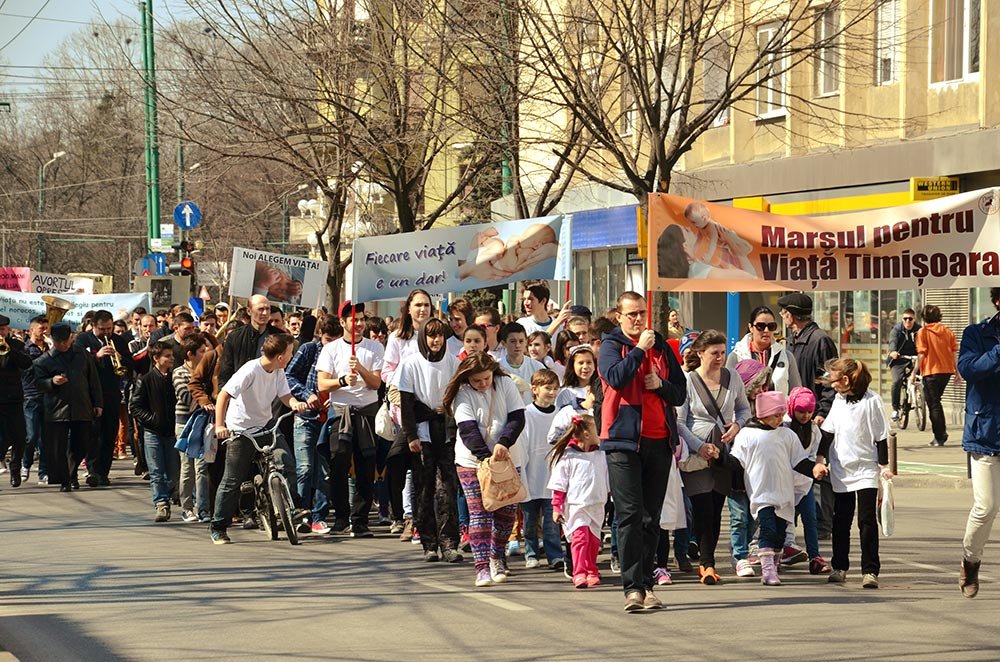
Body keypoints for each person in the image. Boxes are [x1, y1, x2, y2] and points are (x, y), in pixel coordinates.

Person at [597, 291, 686, 612]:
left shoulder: (661, 346)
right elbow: (616, 377)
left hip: (658, 439)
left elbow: (679, 392)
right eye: (631, 314)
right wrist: (638, 349)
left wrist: (660, 384)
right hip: (623, 441)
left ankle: (647, 584)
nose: (637, 319)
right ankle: (632, 587)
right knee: (630, 514)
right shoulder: (611, 345)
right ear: (619, 317)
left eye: (641, 313)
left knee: (652, 517)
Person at [209, 334, 308, 544]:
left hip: (266, 425)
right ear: (281, 356)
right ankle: (218, 526)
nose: (291, 356)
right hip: (241, 429)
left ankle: (293, 508)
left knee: (286, 462)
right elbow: (223, 395)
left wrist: (295, 403)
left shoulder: (279, 370)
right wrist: (220, 425)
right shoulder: (250, 370)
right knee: (232, 479)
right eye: (290, 352)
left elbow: (285, 395)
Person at [443, 353, 526, 588]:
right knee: (480, 512)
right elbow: (468, 429)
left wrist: (504, 443)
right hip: (473, 461)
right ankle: (481, 567)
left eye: (486, 379)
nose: (482, 384)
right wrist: (486, 458)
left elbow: (517, 418)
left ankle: (496, 557)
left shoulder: (506, 383)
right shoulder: (462, 393)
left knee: (507, 511)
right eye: (477, 380)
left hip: (508, 457)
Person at [676, 330, 751, 586]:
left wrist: (737, 426)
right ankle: (704, 561)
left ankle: (708, 563)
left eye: (722, 352)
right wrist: (699, 446)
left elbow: (744, 408)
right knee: (702, 507)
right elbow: (679, 421)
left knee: (717, 508)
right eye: (714, 353)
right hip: (697, 453)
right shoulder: (687, 381)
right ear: (700, 353)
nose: (719, 358)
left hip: (723, 452)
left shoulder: (733, 378)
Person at [730, 390, 827, 586]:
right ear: (762, 414)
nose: (780, 419)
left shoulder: (786, 434)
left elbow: (799, 462)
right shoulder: (747, 434)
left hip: (784, 494)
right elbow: (735, 462)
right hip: (761, 494)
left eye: (782, 415)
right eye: (776, 415)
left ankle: (774, 563)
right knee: (768, 530)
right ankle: (767, 571)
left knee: (781, 534)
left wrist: (814, 469)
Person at [817, 357, 894, 589]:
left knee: (867, 520)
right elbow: (827, 433)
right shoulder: (839, 400)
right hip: (842, 469)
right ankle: (839, 566)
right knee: (840, 520)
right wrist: (820, 459)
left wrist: (884, 467)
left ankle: (870, 570)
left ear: (848, 379)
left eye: (835, 379)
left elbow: (881, 436)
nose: (832, 384)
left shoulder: (872, 401)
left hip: (866, 469)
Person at [316, 301, 384, 538]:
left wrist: (362, 369)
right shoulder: (330, 349)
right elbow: (322, 383)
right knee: (339, 461)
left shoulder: (375, 348)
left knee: (366, 466)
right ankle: (341, 517)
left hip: (366, 411)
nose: (359, 324)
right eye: (354, 320)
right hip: (340, 411)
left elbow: (377, 383)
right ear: (343, 322)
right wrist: (343, 381)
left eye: (362, 319)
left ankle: (361, 520)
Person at [397, 318, 462, 562]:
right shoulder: (411, 364)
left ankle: (449, 543)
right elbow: (406, 402)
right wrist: (411, 434)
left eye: (440, 336)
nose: (436, 341)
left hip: (444, 432)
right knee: (424, 489)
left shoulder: (453, 363)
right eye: (431, 336)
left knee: (446, 488)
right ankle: (429, 542)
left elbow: (458, 396)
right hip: (422, 434)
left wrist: (446, 412)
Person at [777, 292, 838, 540]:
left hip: (815, 417)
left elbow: (830, 380)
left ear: (791, 314)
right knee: (795, 467)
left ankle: (822, 524)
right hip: (796, 418)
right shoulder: (793, 340)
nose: (782, 316)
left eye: (784, 312)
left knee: (818, 467)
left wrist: (822, 411)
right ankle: (791, 524)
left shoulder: (820, 340)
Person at [958, 288, 1000, 598]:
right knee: (986, 507)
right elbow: (969, 369)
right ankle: (970, 561)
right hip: (985, 431)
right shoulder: (976, 333)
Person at [286, 316, 343, 534]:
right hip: (306, 417)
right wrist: (306, 395)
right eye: (328, 339)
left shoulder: (343, 352)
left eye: (335, 339)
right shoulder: (309, 349)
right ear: (320, 335)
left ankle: (319, 515)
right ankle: (302, 513)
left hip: (330, 417)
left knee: (324, 470)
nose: (331, 344)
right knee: (304, 468)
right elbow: (289, 376)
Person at [33, 322, 102, 493]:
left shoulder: (82, 355)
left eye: (66, 340)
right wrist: (51, 382)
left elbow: (93, 380)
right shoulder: (44, 361)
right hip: (57, 410)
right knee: (58, 449)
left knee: (82, 444)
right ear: (53, 340)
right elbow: (37, 384)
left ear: (71, 338)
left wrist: (98, 403)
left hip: (81, 406)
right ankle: (66, 480)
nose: (63, 344)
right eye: (59, 341)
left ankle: (72, 473)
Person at [548, 413, 610, 589]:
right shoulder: (568, 457)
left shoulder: (601, 455)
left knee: (594, 540)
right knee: (580, 538)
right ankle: (579, 572)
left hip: (597, 504)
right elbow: (559, 484)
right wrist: (556, 507)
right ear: (588, 435)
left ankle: (592, 570)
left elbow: (608, 478)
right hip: (576, 506)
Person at [74, 309, 133, 488]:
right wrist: (97, 356)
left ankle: (103, 472)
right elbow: (77, 364)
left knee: (109, 433)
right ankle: (92, 470)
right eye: (102, 329)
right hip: (90, 394)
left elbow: (130, 365)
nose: (107, 332)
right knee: (93, 433)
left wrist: (122, 358)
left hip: (112, 393)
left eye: (109, 328)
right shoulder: (83, 339)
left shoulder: (119, 340)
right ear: (93, 325)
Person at [518, 369, 564, 571]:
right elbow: (523, 443)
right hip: (531, 473)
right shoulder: (527, 413)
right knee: (529, 520)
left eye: (555, 388)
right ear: (535, 389)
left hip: (552, 475)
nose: (552, 392)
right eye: (548, 388)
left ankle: (555, 554)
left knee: (551, 521)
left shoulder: (559, 413)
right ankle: (531, 552)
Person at [784, 386, 832, 575]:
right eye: (800, 411)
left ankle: (815, 557)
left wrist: (817, 468)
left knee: (810, 520)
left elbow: (814, 455)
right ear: (792, 408)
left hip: (804, 484)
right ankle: (777, 554)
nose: (805, 416)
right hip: (783, 483)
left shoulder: (814, 430)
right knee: (783, 522)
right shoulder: (784, 427)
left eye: (809, 412)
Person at [129, 341, 178, 522]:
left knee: (174, 471)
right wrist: (152, 420)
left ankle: (173, 495)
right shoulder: (146, 379)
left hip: (172, 432)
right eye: (167, 356)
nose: (171, 358)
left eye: (172, 355)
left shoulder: (175, 378)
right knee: (156, 471)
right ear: (156, 358)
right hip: (152, 432)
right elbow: (135, 406)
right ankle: (161, 504)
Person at [173, 333, 211, 523]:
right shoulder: (179, 372)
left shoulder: (209, 370)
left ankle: (203, 508)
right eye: (202, 351)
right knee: (188, 468)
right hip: (185, 424)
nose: (206, 354)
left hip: (206, 423)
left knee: (202, 467)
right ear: (190, 354)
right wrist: (204, 396)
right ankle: (187, 507)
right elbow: (188, 397)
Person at [726, 305, 801, 395]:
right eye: (760, 326)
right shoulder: (736, 356)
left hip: (778, 408)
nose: (766, 330)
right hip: (748, 408)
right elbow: (728, 391)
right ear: (750, 327)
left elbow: (796, 392)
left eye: (771, 326)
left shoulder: (786, 356)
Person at [916, 304, 958, 447]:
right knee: (936, 402)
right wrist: (957, 372)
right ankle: (941, 434)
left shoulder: (923, 332)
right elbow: (954, 354)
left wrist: (914, 372)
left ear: (924, 317)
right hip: (946, 371)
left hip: (931, 371)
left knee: (933, 404)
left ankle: (939, 436)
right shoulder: (948, 332)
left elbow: (921, 354)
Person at [0, 314, 34, 487]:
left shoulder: (16, 345)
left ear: (8, 330)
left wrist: (10, 350)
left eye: (3, 329)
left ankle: (15, 468)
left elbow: (27, 363)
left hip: (13, 398)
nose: (1, 333)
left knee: (20, 437)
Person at [218, 295, 278, 387]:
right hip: (240, 393)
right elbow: (225, 371)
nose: (265, 313)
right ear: (249, 311)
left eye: (268, 309)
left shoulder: (279, 336)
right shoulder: (235, 337)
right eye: (260, 309)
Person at [22, 316, 50, 484]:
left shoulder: (50, 347)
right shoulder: (25, 349)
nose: (45, 332)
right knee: (31, 435)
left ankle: (43, 472)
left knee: (46, 438)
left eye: (46, 328)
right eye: (41, 329)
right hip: (31, 396)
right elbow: (29, 369)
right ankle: (25, 463)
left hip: (48, 395)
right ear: (32, 330)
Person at [498, 322, 546, 404]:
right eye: (513, 341)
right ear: (504, 343)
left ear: (526, 342)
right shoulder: (498, 368)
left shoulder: (538, 367)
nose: (517, 345)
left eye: (521, 341)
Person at [886, 308, 920, 421]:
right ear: (902, 319)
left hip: (915, 358)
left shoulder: (919, 330)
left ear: (914, 319)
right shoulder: (896, 330)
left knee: (925, 377)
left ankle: (921, 395)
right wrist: (893, 351)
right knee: (897, 381)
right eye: (905, 319)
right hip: (899, 359)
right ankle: (895, 409)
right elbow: (893, 341)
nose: (908, 321)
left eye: (910, 319)